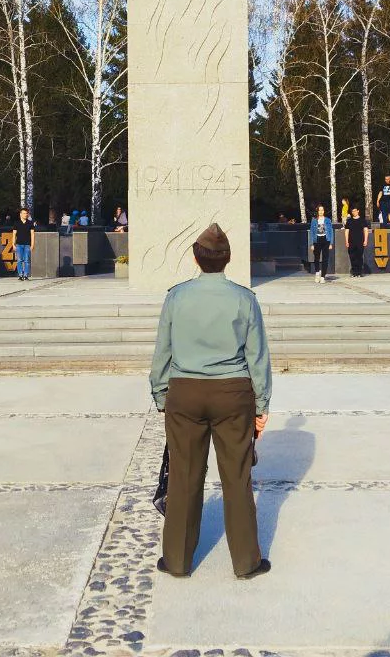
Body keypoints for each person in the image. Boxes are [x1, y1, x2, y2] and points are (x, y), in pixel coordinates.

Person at [149, 223, 272, 581]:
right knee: (236, 477)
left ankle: (176, 560)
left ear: (195, 258)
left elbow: (163, 351)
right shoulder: (244, 299)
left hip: (184, 391)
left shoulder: (176, 297)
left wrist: (160, 393)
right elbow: (257, 356)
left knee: (184, 477)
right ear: (228, 259)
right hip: (233, 393)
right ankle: (246, 561)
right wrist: (261, 406)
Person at [306, 204, 334, 283]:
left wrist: (331, 243)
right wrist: (311, 244)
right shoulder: (314, 220)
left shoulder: (328, 220)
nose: (321, 212)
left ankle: (323, 276)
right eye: (320, 210)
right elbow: (311, 232)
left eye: (322, 210)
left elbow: (331, 231)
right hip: (317, 240)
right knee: (316, 258)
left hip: (326, 239)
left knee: (325, 258)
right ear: (317, 211)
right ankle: (317, 273)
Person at [343, 206, 370, 277]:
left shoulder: (362, 220)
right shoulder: (349, 221)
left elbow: (366, 230)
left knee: (359, 256)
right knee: (352, 257)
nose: (353, 212)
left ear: (358, 211)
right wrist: (346, 241)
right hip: (351, 242)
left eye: (355, 211)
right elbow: (346, 231)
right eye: (352, 211)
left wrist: (365, 240)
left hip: (360, 241)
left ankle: (359, 272)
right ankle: (354, 272)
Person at [16, 207, 36, 280]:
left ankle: (26, 275)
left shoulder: (30, 223)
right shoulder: (17, 223)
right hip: (19, 244)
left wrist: (32, 244)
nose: (25, 215)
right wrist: (13, 244)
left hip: (27, 244)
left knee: (27, 260)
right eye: (24, 213)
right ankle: (20, 275)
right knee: (19, 260)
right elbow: (14, 234)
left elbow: (32, 234)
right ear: (20, 214)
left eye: (26, 213)